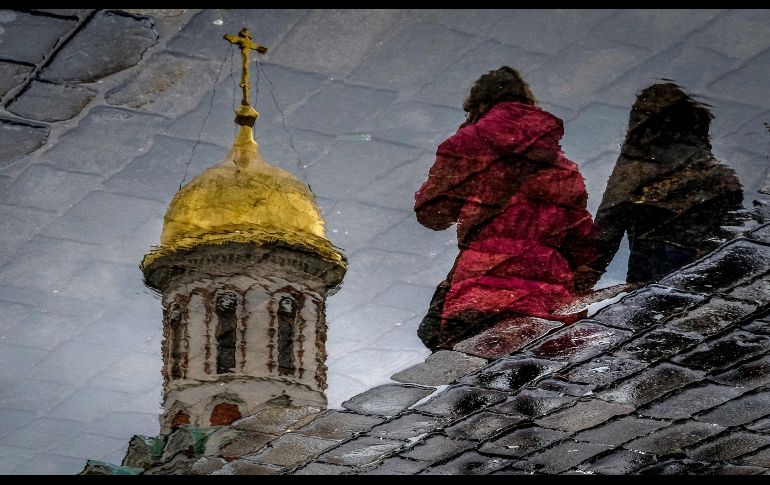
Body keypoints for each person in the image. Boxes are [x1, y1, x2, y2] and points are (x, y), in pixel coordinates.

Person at [414, 66, 596, 351]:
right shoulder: (564, 168)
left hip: (483, 286)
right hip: (549, 293)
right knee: (541, 372)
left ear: (479, 105)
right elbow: (584, 244)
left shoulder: (467, 144)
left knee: (472, 369)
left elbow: (432, 213)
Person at [591, 82, 743, 284]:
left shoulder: (639, 158)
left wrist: (588, 273)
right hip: (711, 262)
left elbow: (611, 218)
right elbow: (734, 220)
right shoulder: (713, 166)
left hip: (656, 260)